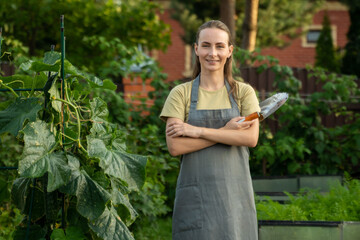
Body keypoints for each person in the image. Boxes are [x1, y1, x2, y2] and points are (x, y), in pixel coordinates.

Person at [160, 20, 260, 240]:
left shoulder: (243, 93)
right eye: (206, 45)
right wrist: (226, 131)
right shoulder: (181, 94)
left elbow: (250, 138)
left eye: (219, 46)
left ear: (230, 51)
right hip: (196, 201)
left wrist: (197, 131)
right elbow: (176, 146)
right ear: (196, 49)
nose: (212, 53)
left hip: (235, 201)